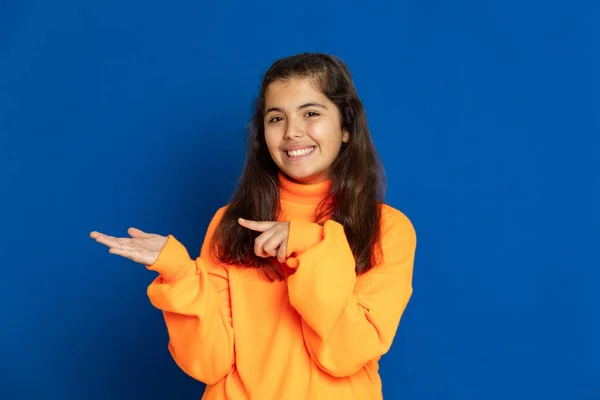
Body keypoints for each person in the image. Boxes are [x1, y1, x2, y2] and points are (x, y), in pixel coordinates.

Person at [90, 52, 417, 399]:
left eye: (310, 114)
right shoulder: (232, 222)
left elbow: (346, 353)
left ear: (346, 127)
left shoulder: (386, 228)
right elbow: (209, 362)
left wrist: (312, 243)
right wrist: (181, 274)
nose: (292, 132)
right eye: (276, 118)